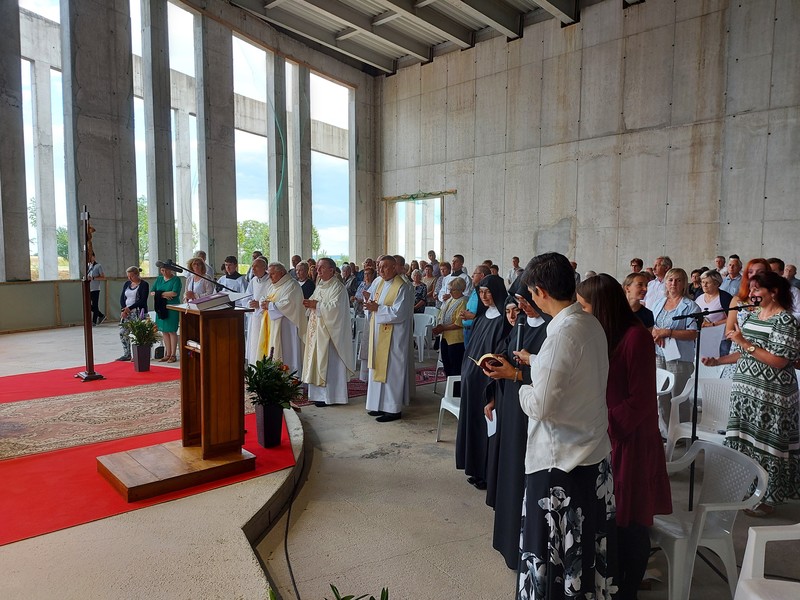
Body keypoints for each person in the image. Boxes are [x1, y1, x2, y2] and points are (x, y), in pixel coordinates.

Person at [515, 253, 616, 600]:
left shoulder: (561, 334)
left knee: (556, 555)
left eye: (531, 293)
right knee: (583, 554)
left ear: (540, 292)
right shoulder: (589, 322)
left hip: (562, 464)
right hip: (591, 453)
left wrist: (521, 388)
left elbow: (541, 407)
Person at [577, 274, 672, 600]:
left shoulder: (635, 338)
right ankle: (614, 578)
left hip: (630, 440)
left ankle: (629, 587)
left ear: (601, 306)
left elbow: (642, 401)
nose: (581, 311)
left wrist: (604, 422)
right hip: (609, 435)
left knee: (630, 518)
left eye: (584, 305)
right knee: (611, 516)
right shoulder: (607, 334)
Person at [702, 271, 800, 516]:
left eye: (757, 290)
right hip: (745, 392)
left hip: (771, 396)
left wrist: (744, 343)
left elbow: (778, 360)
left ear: (773, 292)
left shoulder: (785, 321)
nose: (752, 294)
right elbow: (746, 352)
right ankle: (746, 490)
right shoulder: (754, 314)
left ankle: (768, 498)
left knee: (766, 445)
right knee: (745, 443)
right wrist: (719, 361)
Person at [481, 288, 548, 570]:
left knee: (522, 474)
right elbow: (511, 355)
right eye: (518, 302)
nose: (521, 307)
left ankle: (521, 548)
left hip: (531, 413)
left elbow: (550, 376)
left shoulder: (551, 331)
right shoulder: (520, 324)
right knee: (509, 470)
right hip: (510, 405)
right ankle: (507, 541)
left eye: (525, 301)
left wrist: (516, 373)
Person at [455, 275, 510, 491]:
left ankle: (489, 473)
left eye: (488, 292)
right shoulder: (482, 316)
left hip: (488, 380)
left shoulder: (503, 320)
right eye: (481, 292)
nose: (484, 296)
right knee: (473, 425)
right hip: (472, 379)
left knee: (488, 428)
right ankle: (476, 468)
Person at [363, 255, 413, 422]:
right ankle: (378, 405)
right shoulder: (380, 283)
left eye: (384, 267)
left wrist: (377, 308)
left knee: (392, 372)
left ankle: (392, 409)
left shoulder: (402, 287)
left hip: (393, 338)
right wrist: (368, 304)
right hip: (378, 335)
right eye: (379, 266)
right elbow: (373, 305)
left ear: (394, 268)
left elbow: (399, 313)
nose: (380, 269)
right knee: (377, 369)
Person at [651, 268, 700, 435]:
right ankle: (666, 433)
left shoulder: (691, 305)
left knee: (678, 397)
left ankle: (682, 434)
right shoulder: (659, 302)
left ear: (684, 284)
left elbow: (694, 333)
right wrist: (655, 333)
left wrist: (668, 332)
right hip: (659, 354)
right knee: (661, 396)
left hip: (679, 358)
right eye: (671, 280)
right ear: (665, 282)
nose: (674, 284)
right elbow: (654, 326)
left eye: (678, 280)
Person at [302, 257, 356, 407]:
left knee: (329, 364)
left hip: (331, 334)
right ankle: (318, 396)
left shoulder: (338, 287)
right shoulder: (320, 285)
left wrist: (316, 305)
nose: (318, 270)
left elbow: (336, 308)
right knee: (317, 361)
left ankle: (332, 396)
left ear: (332, 270)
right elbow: (314, 302)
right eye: (317, 268)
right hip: (317, 331)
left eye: (322, 268)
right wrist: (308, 304)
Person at [257, 262, 306, 375]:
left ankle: (291, 380)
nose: (270, 277)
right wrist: (263, 302)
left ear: (282, 273)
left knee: (287, 352)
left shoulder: (292, 285)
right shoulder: (274, 285)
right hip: (273, 325)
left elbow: (288, 304)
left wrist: (269, 305)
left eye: (273, 274)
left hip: (287, 327)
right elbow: (265, 297)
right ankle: (275, 378)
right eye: (269, 274)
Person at [722, 258, 771, 365]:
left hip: (764, 354)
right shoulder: (737, 300)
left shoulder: (772, 302)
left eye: (760, 272)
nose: (754, 275)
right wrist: (739, 339)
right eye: (750, 272)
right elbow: (728, 330)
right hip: (738, 353)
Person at [431, 277, 467, 378]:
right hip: (445, 338)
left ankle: (455, 391)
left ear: (461, 289)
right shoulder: (450, 300)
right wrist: (438, 327)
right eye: (450, 289)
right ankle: (449, 388)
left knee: (455, 367)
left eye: (453, 290)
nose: (450, 292)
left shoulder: (463, 301)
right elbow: (442, 314)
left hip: (456, 340)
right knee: (447, 365)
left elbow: (459, 323)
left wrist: (442, 328)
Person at [150, 263, 182, 363]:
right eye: (163, 270)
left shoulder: (176, 280)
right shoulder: (159, 279)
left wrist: (160, 294)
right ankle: (167, 353)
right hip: (161, 307)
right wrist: (163, 295)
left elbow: (174, 293)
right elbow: (152, 292)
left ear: (171, 270)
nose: (164, 272)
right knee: (164, 331)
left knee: (171, 330)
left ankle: (173, 354)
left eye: (167, 270)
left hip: (171, 307)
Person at [117, 266, 150, 361]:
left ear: (137, 274)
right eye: (128, 276)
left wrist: (130, 308)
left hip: (138, 312)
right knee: (123, 332)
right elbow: (122, 297)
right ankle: (127, 353)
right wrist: (124, 309)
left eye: (131, 276)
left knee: (138, 333)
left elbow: (143, 300)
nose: (129, 278)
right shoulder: (127, 284)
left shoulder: (144, 285)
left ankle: (138, 354)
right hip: (127, 312)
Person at [245, 257, 270, 365]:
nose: (253, 269)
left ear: (264, 268)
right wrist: (249, 303)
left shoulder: (270, 281)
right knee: (254, 344)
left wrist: (259, 304)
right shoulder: (253, 281)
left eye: (256, 267)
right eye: (252, 267)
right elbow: (247, 296)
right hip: (254, 318)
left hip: (266, 318)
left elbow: (272, 298)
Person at [86, 252, 106, 325]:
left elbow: (103, 277)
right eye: (88, 257)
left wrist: (93, 278)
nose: (90, 258)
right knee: (88, 305)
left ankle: (94, 321)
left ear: (94, 257)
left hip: (95, 288)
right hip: (88, 288)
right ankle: (101, 315)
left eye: (91, 256)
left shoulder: (98, 266)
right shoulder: (88, 266)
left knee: (95, 305)